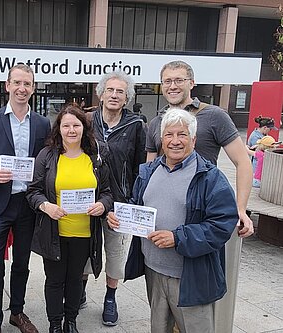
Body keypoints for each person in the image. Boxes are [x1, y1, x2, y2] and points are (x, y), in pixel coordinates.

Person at [121, 108, 239, 333]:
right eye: (169, 135)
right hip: (153, 270)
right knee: (159, 328)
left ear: (193, 140)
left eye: (182, 135)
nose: (175, 141)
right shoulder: (148, 171)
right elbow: (138, 205)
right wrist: (123, 217)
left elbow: (223, 224)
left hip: (190, 276)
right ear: (161, 140)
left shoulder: (210, 177)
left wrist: (178, 237)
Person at [0, 64, 51, 333]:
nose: (22, 88)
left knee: (22, 263)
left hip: (27, 204)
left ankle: (17, 312)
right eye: (17, 83)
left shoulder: (42, 123)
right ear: (7, 86)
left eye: (27, 84)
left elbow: (46, 162)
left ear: (33, 88)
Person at [26, 104, 113, 333]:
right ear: (59, 129)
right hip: (54, 231)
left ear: (84, 128)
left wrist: (102, 205)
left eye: (76, 125)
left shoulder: (96, 156)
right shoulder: (47, 155)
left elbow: (107, 192)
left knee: (75, 280)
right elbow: (33, 191)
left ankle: (71, 321)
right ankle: (55, 323)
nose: (71, 130)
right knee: (54, 281)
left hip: (84, 233)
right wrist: (46, 206)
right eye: (66, 125)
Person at [146, 60, 253, 238]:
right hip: (165, 209)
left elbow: (243, 162)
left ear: (192, 83)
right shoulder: (156, 122)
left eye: (179, 80)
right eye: (167, 81)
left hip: (201, 208)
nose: (173, 86)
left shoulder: (214, 116)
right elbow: (149, 169)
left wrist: (240, 208)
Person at [84, 71, 146, 326]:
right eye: (110, 90)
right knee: (84, 248)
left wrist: (132, 199)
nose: (114, 95)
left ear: (127, 97)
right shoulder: (87, 121)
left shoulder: (136, 126)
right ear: (101, 93)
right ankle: (79, 291)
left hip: (119, 202)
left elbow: (139, 166)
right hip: (87, 198)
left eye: (120, 91)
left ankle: (110, 297)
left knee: (116, 250)